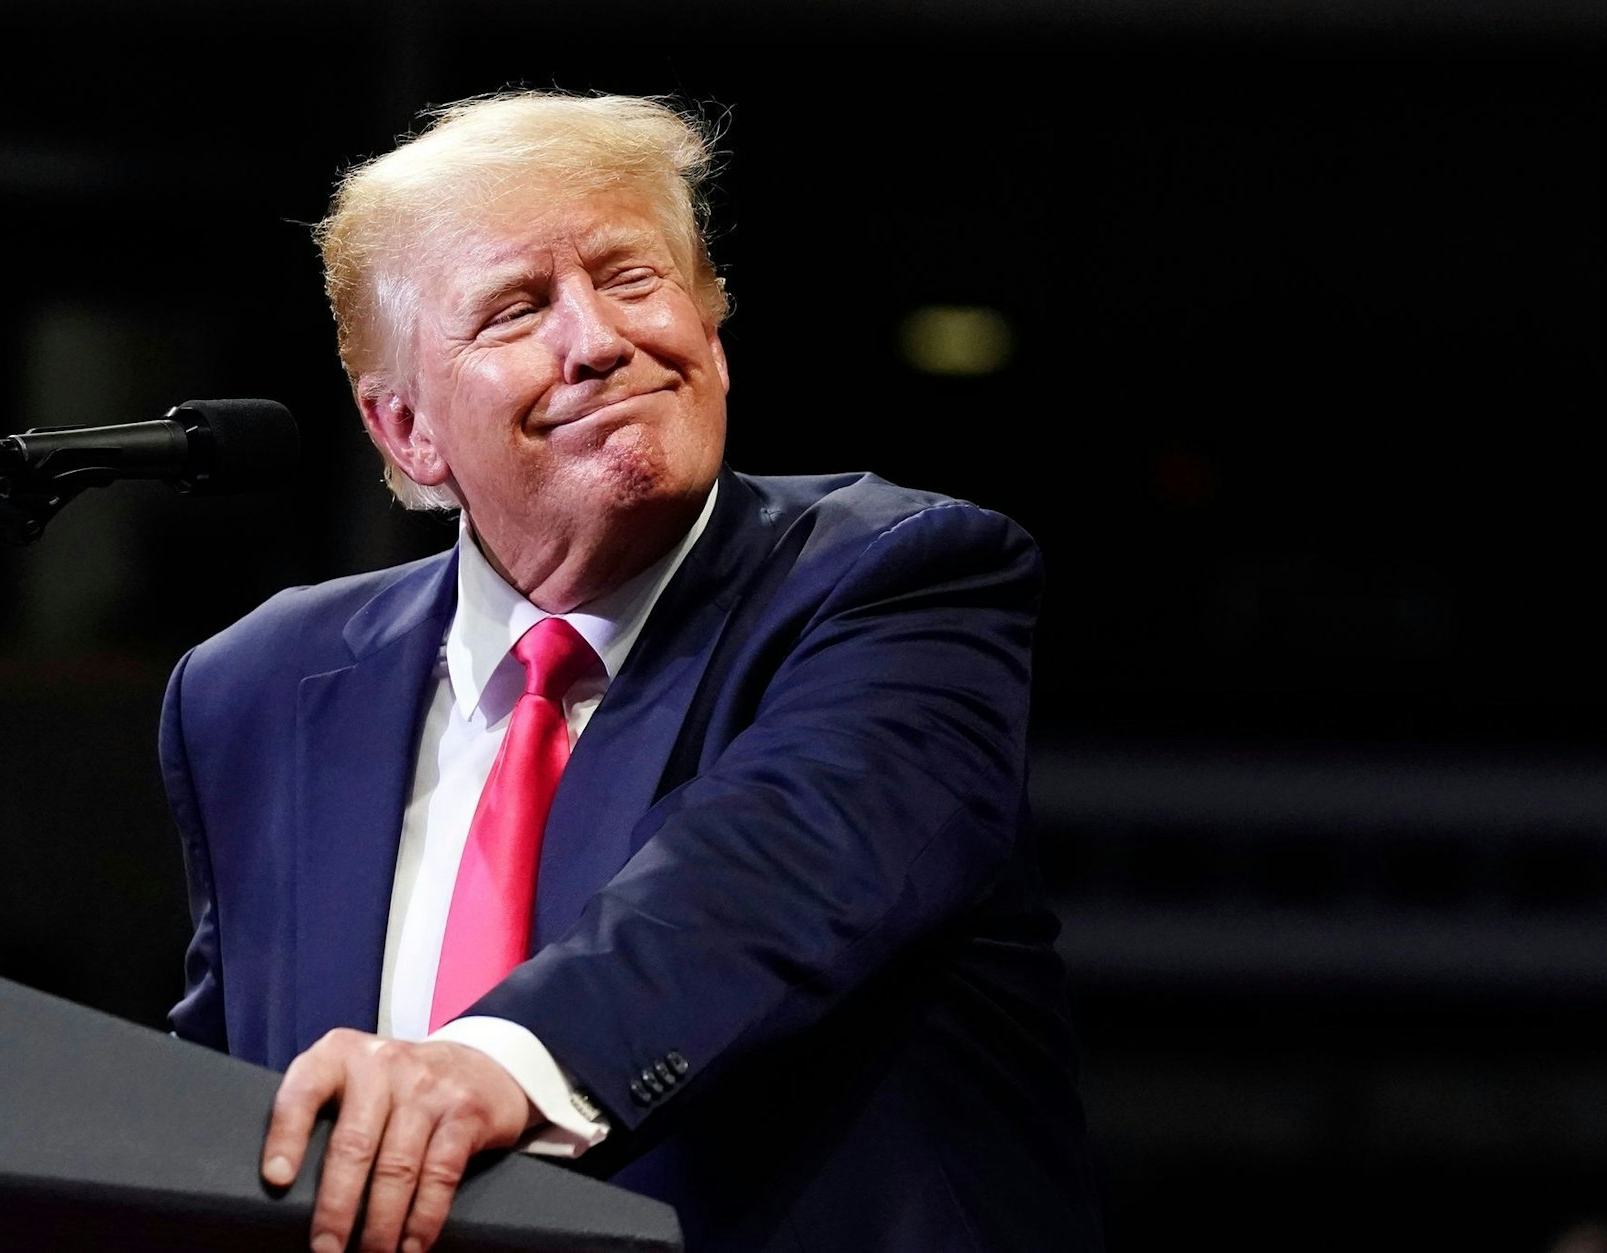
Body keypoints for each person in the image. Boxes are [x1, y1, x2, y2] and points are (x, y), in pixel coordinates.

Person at [159, 88, 1105, 1253]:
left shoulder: (896, 581)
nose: (596, 337)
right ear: (404, 429)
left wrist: (494, 1064)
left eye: (630, 277)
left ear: (710, 329)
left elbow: (765, 874)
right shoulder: (257, 687)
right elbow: (229, 1096)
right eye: (515, 308)